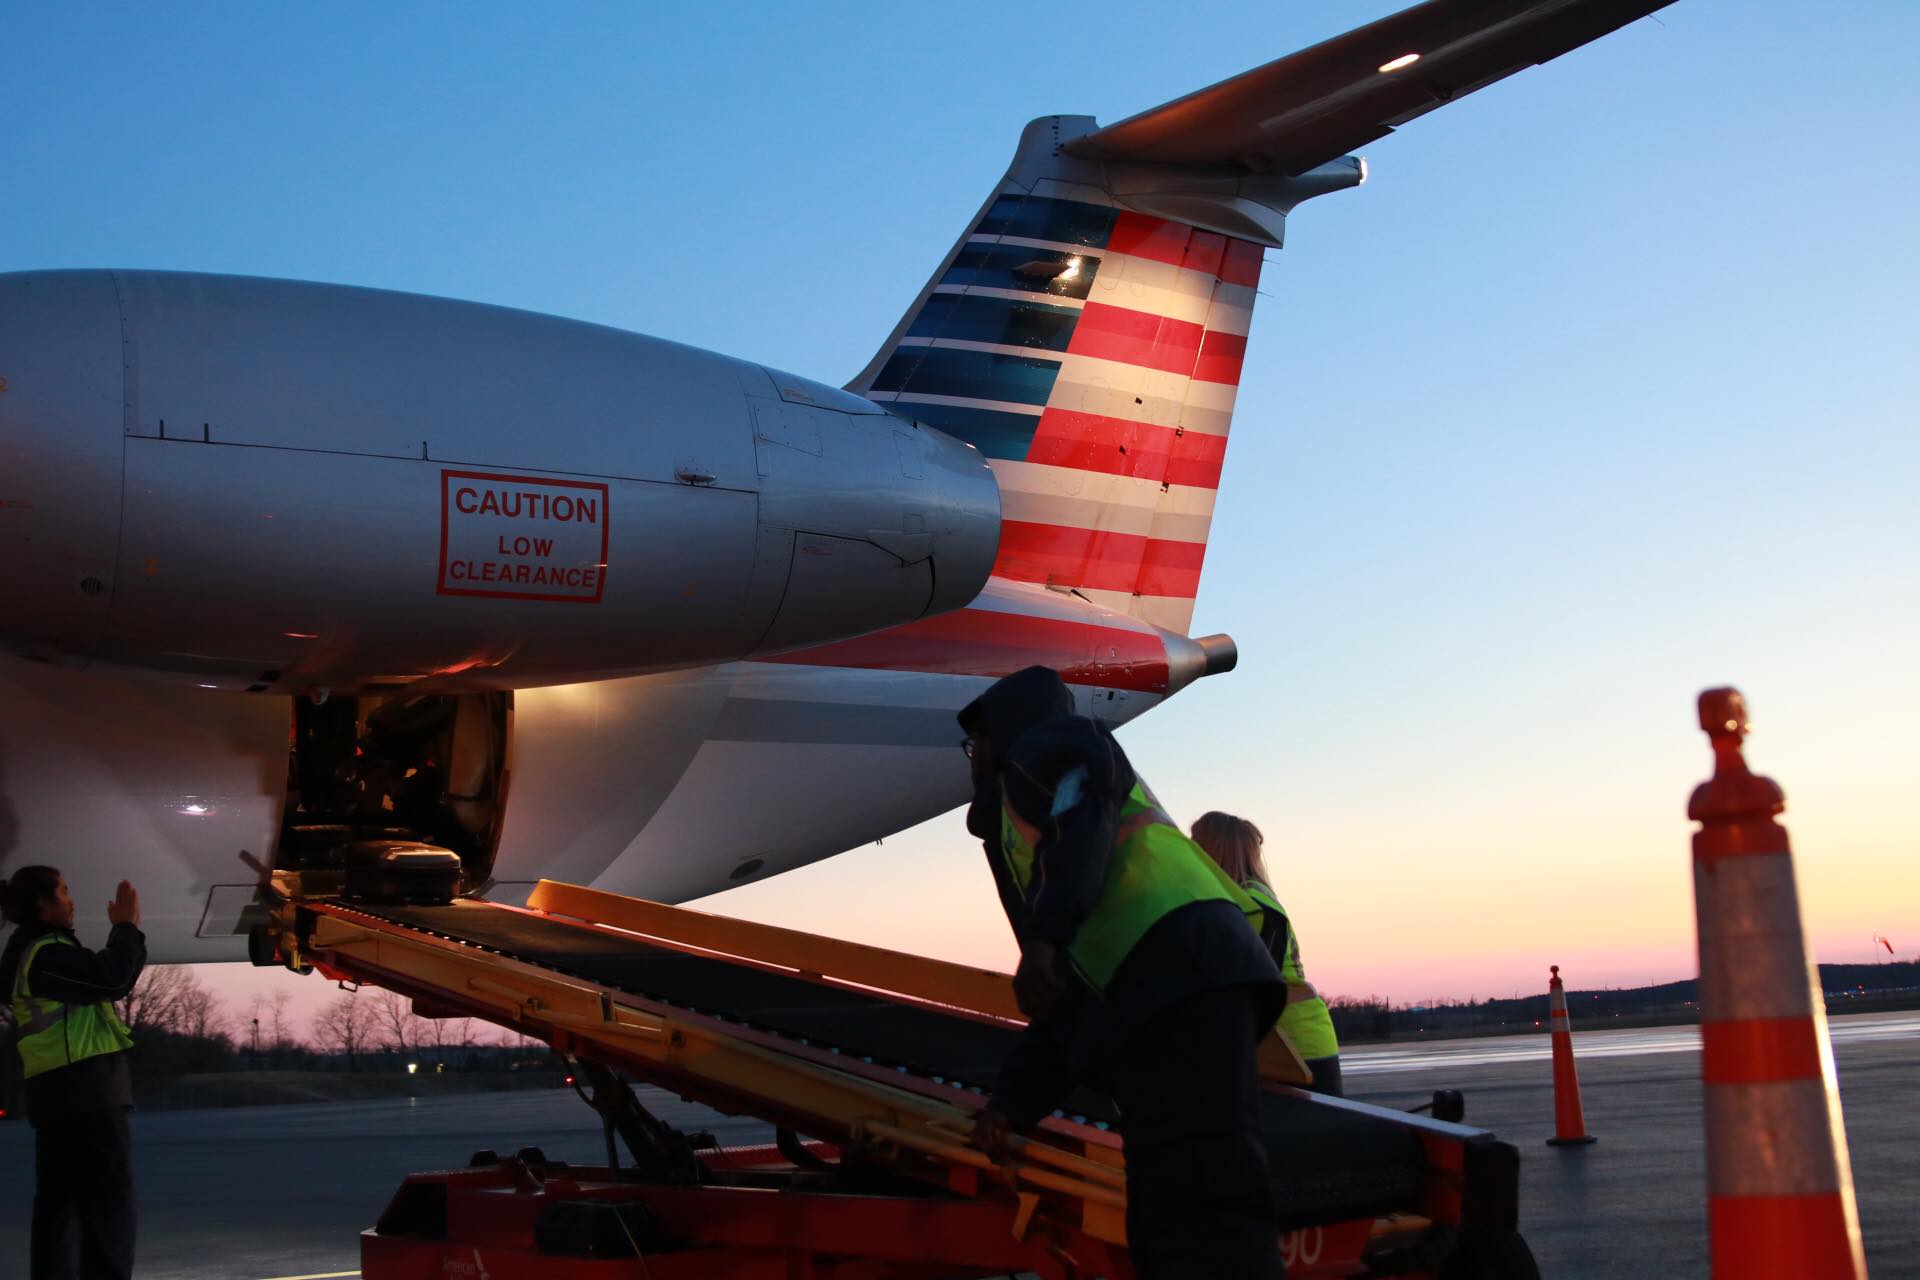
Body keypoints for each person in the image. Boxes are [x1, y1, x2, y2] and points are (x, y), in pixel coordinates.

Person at [958, 666, 1287, 1279]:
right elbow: (1069, 995)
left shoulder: (1046, 754)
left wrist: (1044, 941)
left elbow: (1082, 825)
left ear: (1003, 735)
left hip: (1179, 971)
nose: (971, 758)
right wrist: (1011, 1106)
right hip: (1181, 980)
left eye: (976, 743)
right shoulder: (1024, 827)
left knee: (1204, 1203)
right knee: (1180, 1205)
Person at [1, 867, 146, 1280]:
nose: (71, 900)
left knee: (60, 1215)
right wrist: (125, 929)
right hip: (84, 1095)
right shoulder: (44, 955)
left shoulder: (33, 953)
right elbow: (112, 977)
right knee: (108, 1214)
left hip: (61, 1097)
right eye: (64, 892)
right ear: (43, 905)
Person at [1190, 812, 1343, 1096]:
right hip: (1279, 1043)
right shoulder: (1245, 900)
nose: (1187, 851)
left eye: (1194, 844)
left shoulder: (1255, 906)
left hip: (1295, 1047)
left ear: (1213, 850)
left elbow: (1260, 988)